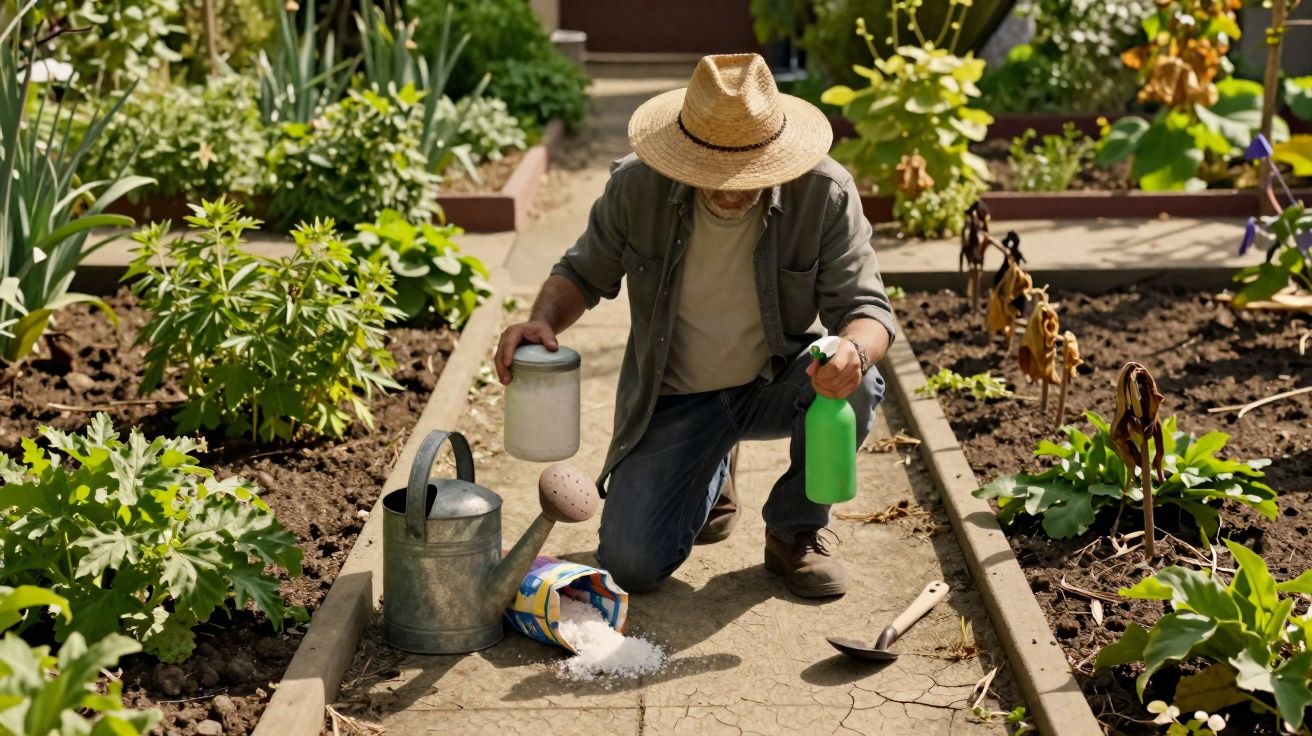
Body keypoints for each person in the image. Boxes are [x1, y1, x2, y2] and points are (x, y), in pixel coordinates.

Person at [494, 53, 896, 599]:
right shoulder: (637, 188)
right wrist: (540, 320)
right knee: (632, 566)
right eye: (712, 172)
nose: (731, 189)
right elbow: (582, 272)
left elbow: (868, 309)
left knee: (861, 385)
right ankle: (713, 463)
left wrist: (854, 351)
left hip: (773, 379)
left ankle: (794, 530)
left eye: (749, 173)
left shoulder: (824, 193)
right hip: (676, 398)